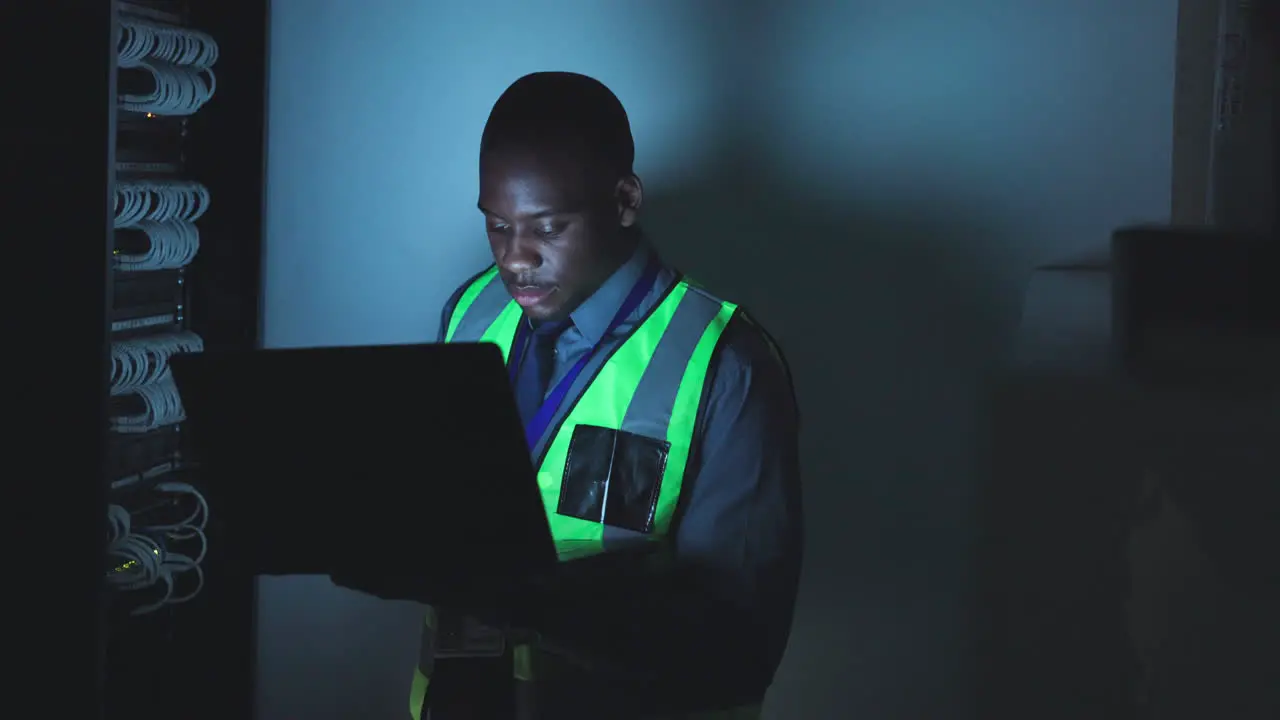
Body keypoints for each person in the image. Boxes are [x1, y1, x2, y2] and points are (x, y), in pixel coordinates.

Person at [408, 71, 802, 719]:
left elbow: (739, 645)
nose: (514, 258)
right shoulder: (471, 311)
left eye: (548, 227)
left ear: (624, 200)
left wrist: (536, 602)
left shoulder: (726, 365)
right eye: (497, 226)